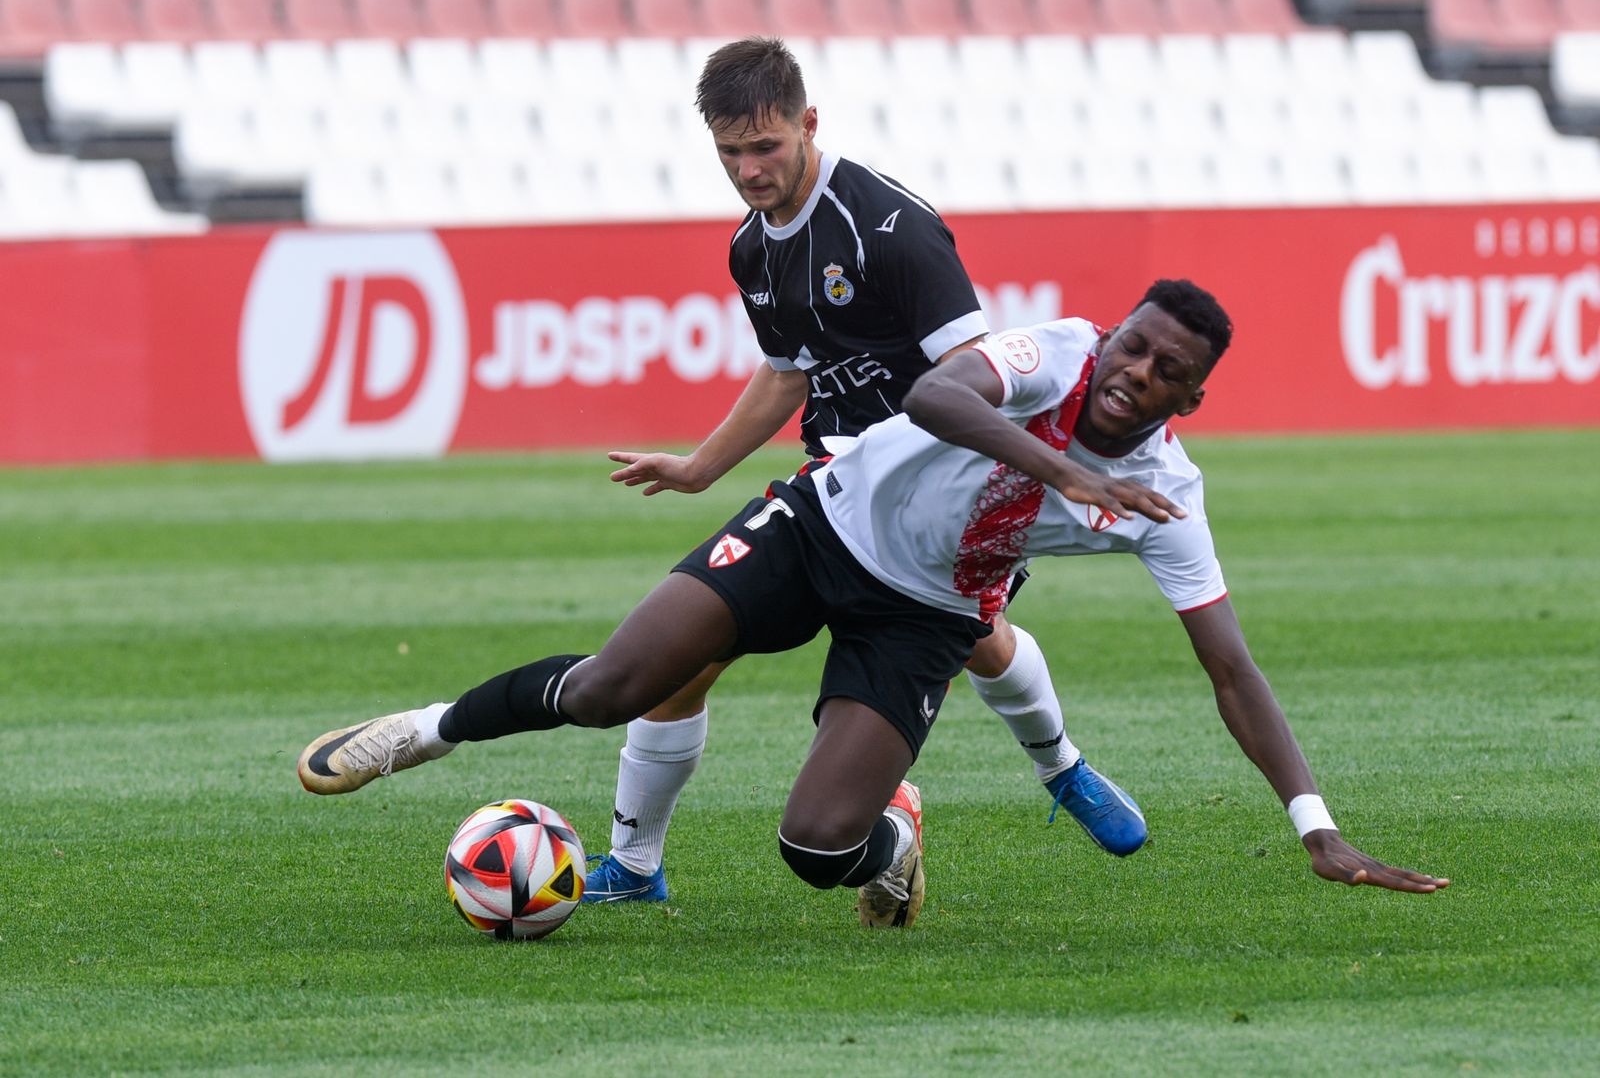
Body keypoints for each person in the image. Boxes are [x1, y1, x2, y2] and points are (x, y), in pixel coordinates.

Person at [297, 279, 1450, 931]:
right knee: (610, 688)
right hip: (817, 523)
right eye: (1131, 346)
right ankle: (422, 732)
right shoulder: (1051, 353)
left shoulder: (1168, 498)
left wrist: (1318, 830)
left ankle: (890, 838)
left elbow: (1231, 670)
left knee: (813, 847)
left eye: (1161, 372)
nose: (1131, 373)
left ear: (1192, 395)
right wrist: (1061, 472)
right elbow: (936, 392)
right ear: (1110, 336)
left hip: (924, 619)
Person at [584, 36, 1142, 904]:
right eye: (730, 153)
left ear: (809, 123)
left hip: (935, 494)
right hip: (832, 485)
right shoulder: (752, 246)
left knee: (979, 643)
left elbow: (977, 378)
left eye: (764, 146)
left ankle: (1061, 768)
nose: (748, 169)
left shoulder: (892, 228)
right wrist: (699, 467)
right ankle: (635, 864)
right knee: (683, 659)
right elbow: (787, 371)